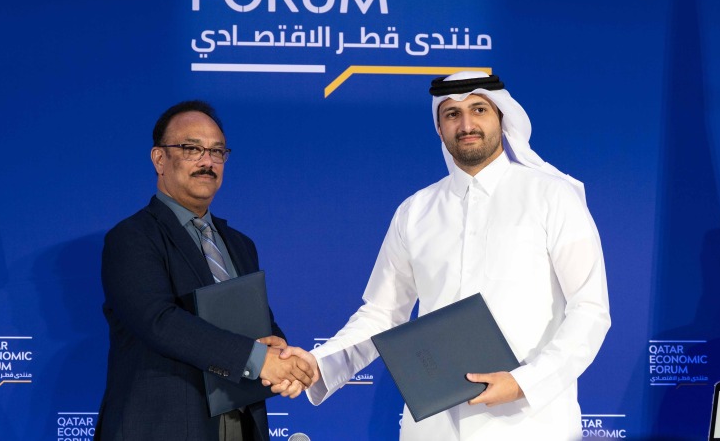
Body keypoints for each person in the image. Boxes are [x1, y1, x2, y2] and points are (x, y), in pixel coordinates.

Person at [281, 71, 611, 439]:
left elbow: (590, 311)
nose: (466, 123)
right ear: (439, 128)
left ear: (502, 117)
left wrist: (524, 382)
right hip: (433, 427)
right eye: (452, 114)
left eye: (479, 109)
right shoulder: (415, 211)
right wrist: (321, 363)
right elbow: (383, 313)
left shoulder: (552, 196)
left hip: (529, 423)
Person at [95, 100, 314, 441]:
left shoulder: (240, 243)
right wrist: (259, 359)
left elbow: (259, 324)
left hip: (241, 424)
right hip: (163, 427)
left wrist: (280, 355)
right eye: (191, 148)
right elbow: (159, 322)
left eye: (217, 152)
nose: (207, 162)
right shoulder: (132, 237)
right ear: (159, 159)